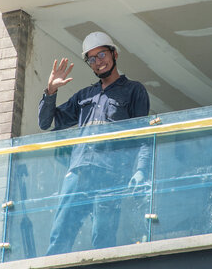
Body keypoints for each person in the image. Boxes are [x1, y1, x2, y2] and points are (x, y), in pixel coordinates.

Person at [38, 31, 150, 255]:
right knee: (61, 234)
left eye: (101, 54)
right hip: (78, 173)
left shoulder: (134, 90)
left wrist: (141, 171)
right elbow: (46, 123)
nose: (98, 62)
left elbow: (143, 137)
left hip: (111, 174)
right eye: (91, 58)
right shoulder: (84, 95)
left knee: (103, 238)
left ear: (114, 54)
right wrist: (51, 91)